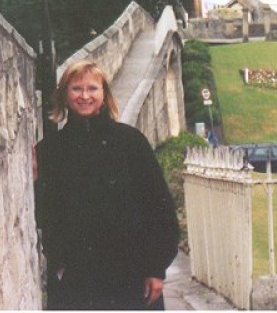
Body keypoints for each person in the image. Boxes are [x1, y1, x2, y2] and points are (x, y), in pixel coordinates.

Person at [35, 60, 179, 310]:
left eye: (92, 88)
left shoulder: (131, 142)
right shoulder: (49, 151)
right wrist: (59, 263)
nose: (85, 96)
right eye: (76, 89)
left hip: (132, 277)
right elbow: (44, 214)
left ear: (104, 94)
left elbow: (159, 207)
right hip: (77, 279)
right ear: (65, 95)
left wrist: (156, 269)